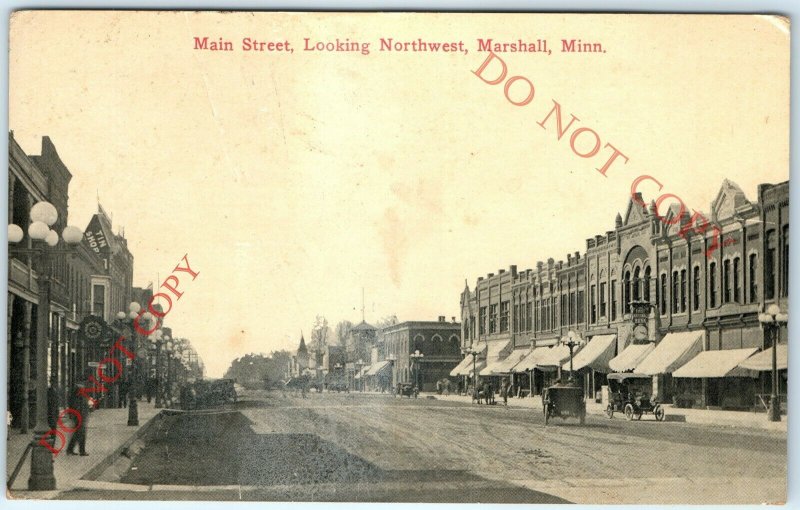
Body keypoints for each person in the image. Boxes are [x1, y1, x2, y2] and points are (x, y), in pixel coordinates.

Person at [67, 382, 91, 456]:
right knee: (81, 434)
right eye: (81, 389)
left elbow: (86, 406)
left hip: (82, 417)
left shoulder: (82, 397)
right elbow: (75, 408)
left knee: (78, 434)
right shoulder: (76, 398)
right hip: (79, 418)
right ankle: (81, 451)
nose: (83, 390)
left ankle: (70, 449)